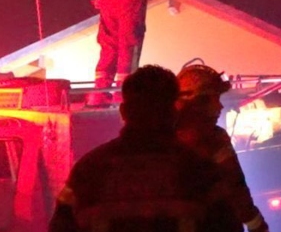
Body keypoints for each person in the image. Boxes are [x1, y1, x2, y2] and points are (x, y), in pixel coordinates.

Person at [50, 64, 228, 232]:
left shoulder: (88, 170)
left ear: (123, 112)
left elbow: (60, 227)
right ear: (174, 112)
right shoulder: (200, 171)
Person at [176, 63, 270, 232]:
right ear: (198, 101)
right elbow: (235, 184)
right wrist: (257, 225)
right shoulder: (214, 138)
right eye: (215, 99)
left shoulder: (162, 137)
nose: (220, 106)